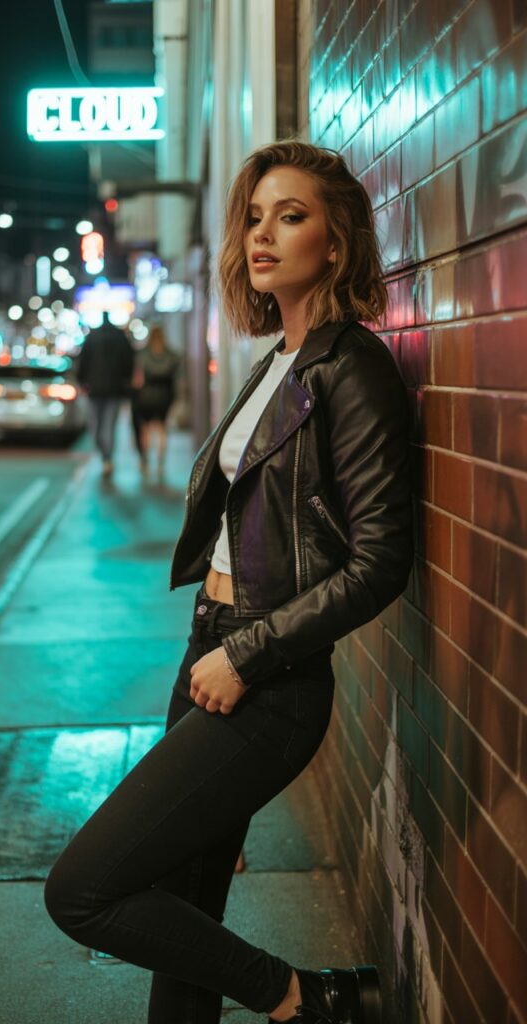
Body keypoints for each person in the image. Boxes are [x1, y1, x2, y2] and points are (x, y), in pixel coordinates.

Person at [44, 141, 413, 1024]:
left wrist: (246, 654)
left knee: (83, 890)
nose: (262, 234)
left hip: (266, 679)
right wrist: (219, 650)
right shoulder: (276, 361)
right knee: (184, 899)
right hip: (209, 655)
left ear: (337, 242)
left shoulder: (349, 367)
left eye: (291, 217)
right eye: (254, 216)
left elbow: (380, 560)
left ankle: (305, 1000)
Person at [76, 319, 135, 478]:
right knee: (107, 426)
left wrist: (81, 381)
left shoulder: (92, 337)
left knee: (97, 426)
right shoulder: (120, 337)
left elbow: (82, 361)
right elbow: (129, 362)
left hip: (95, 389)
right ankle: (106, 457)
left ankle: (106, 457)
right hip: (113, 390)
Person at [132, 325, 180, 477]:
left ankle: (145, 459)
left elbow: (137, 379)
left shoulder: (143, 354)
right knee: (161, 428)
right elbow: (176, 376)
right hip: (165, 396)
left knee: (145, 429)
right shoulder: (171, 355)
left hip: (146, 397)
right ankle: (160, 460)